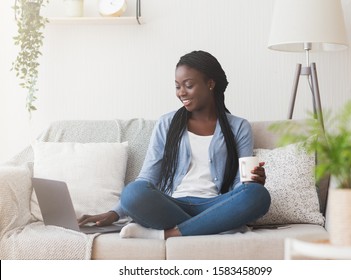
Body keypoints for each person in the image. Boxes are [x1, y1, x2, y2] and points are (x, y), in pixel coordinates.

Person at [78, 50, 271, 240]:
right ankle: (215, 225)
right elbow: (148, 177)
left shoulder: (238, 127)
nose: (181, 93)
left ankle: (171, 233)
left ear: (210, 84)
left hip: (216, 204)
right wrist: (115, 213)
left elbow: (240, 185)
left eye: (188, 85)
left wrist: (251, 183)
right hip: (172, 205)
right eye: (177, 86)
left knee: (257, 195)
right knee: (133, 193)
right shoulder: (166, 123)